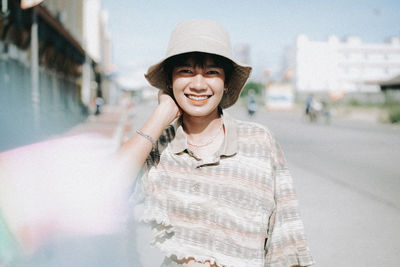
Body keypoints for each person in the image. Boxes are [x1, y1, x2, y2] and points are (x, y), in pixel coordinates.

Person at [119, 19, 314, 267]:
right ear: (169, 81)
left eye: (211, 72)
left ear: (226, 82)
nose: (198, 84)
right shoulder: (158, 147)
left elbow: (286, 241)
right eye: (186, 71)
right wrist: (161, 114)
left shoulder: (259, 142)